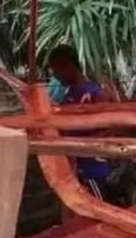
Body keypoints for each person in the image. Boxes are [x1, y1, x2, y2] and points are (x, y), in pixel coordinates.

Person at [46, 44, 116, 202]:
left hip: (94, 167)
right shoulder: (70, 94)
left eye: (57, 71)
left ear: (69, 66)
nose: (56, 77)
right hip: (81, 167)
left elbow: (113, 127)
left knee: (99, 211)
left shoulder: (93, 94)